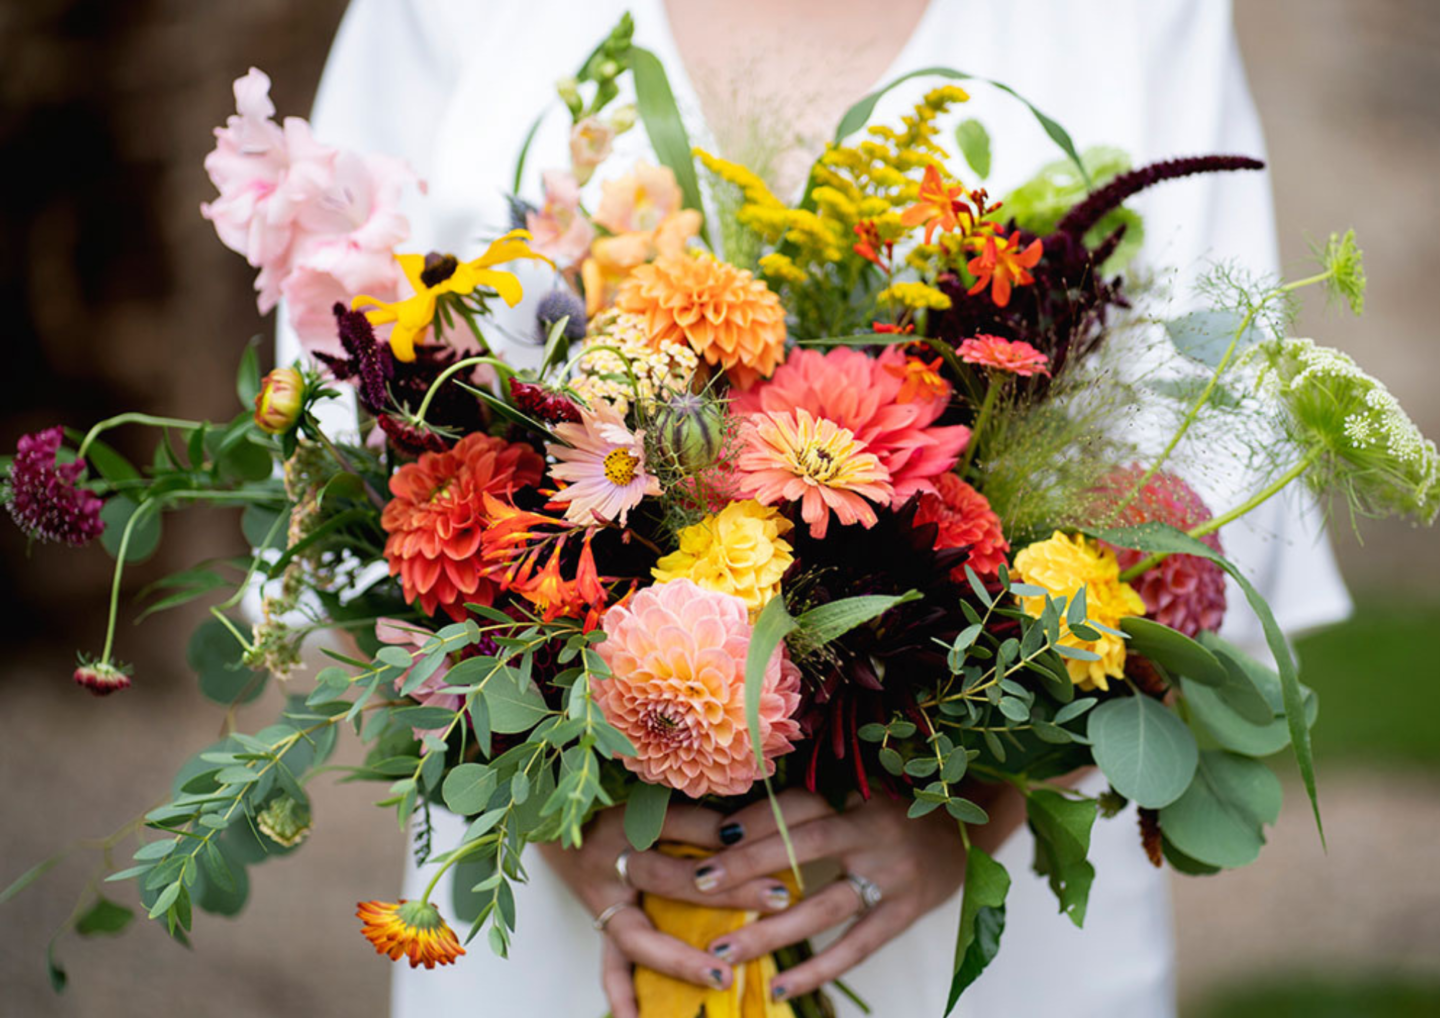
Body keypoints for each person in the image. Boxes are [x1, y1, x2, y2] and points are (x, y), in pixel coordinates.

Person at [280, 1, 1353, 1013]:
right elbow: (326, 462)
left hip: (988, 919)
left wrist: (986, 811)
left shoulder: (1139, 19)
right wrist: (553, 806)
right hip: (560, 907)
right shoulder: (434, 14)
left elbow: (1210, 471)